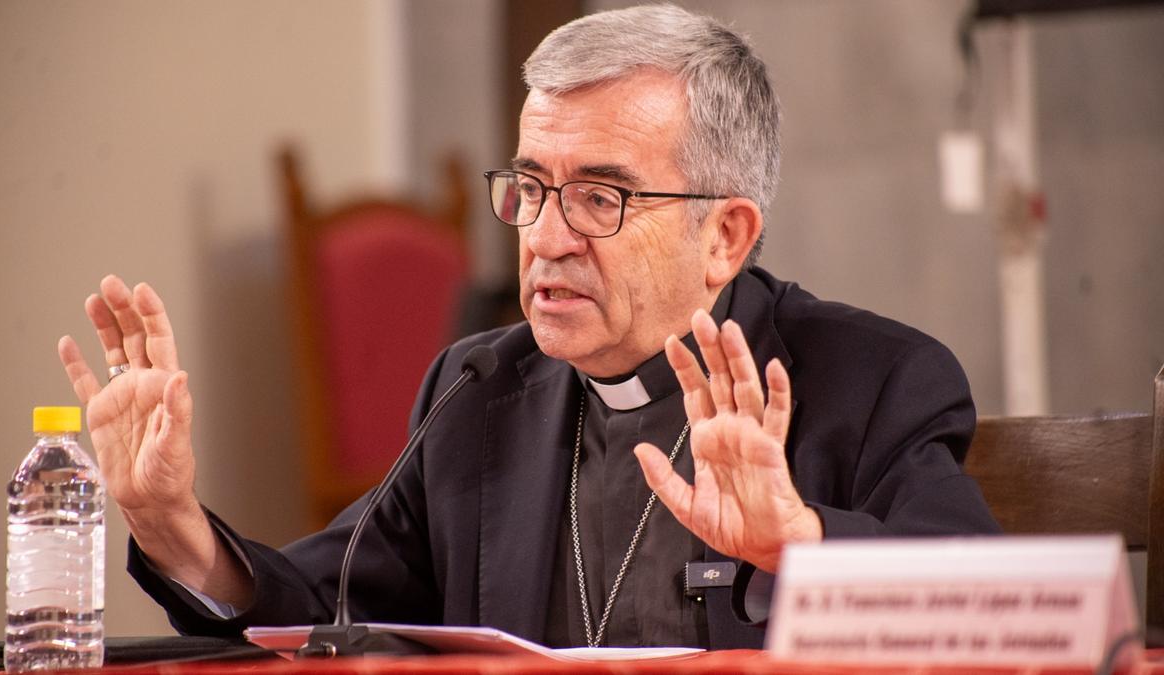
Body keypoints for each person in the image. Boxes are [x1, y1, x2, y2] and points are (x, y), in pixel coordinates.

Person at [57, 5, 998, 650]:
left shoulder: (870, 381)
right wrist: (172, 524)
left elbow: (985, 611)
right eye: (532, 187)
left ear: (725, 235)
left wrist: (799, 542)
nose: (544, 237)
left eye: (598, 196)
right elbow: (325, 604)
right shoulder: (478, 392)